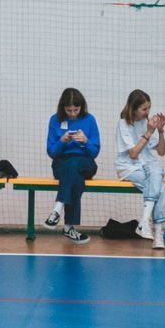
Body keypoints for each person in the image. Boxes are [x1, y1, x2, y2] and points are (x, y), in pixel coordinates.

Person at [44, 88, 101, 244]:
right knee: (74, 176)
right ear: (63, 108)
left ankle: (57, 208)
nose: (73, 114)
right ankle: (69, 227)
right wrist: (62, 141)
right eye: (69, 110)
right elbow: (52, 152)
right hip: (61, 163)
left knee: (74, 165)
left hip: (85, 162)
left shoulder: (90, 120)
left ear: (81, 107)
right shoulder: (54, 120)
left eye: (76, 110)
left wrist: (86, 141)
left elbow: (95, 152)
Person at [115, 89, 165, 248]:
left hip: (148, 165)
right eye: (144, 109)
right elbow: (133, 154)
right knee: (160, 187)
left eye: (149, 108)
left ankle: (145, 223)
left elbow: (161, 152)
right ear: (133, 109)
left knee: (158, 180)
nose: (148, 112)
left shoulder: (148, 124)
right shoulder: (123, 124)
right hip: (129, 167)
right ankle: (157, 234)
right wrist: (149, 132)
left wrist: (160, 132)